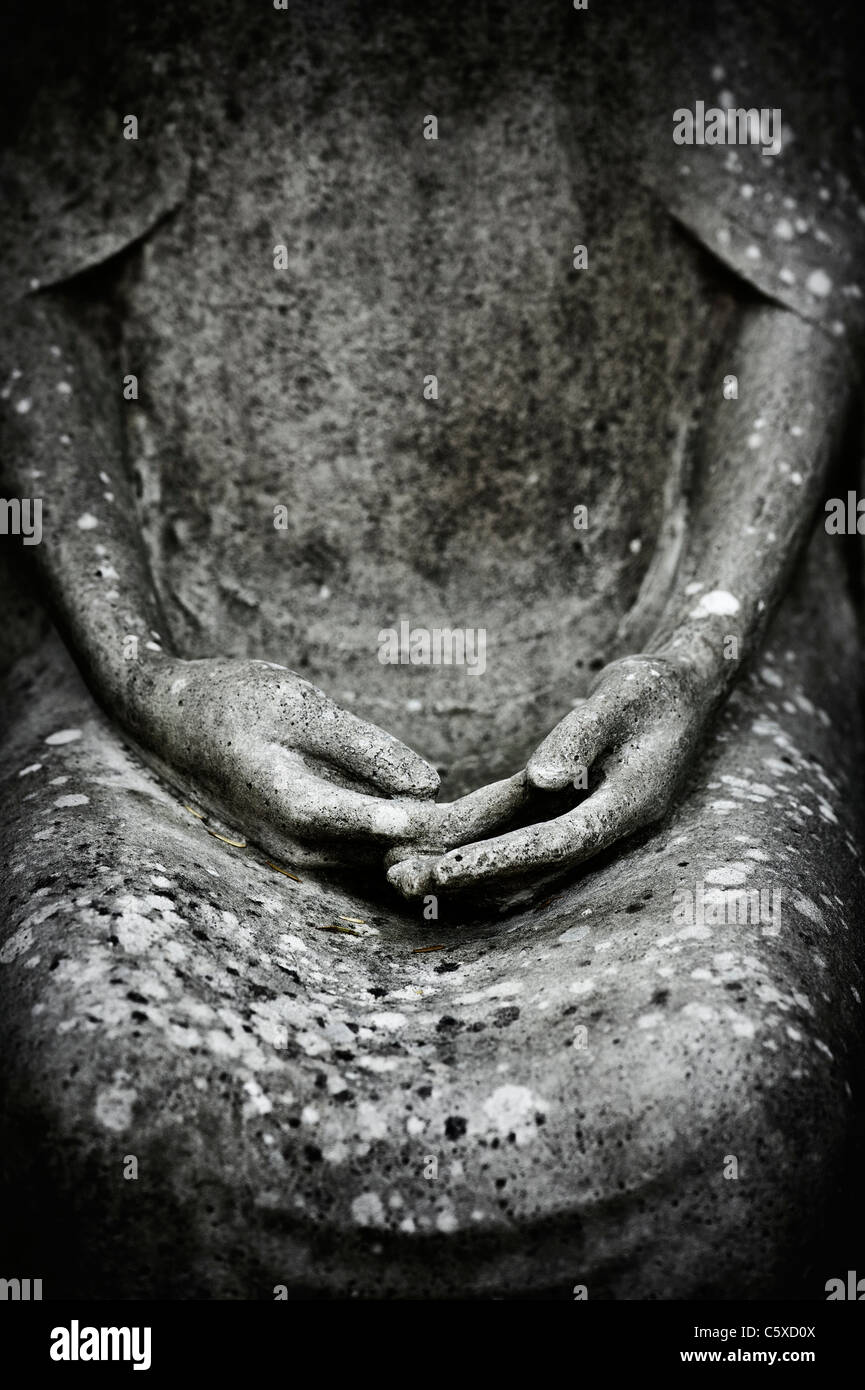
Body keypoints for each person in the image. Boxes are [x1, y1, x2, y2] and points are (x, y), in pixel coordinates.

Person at [1, 0, 863, 1298]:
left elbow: (805, 275)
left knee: (737, 1080)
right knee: (97, 1070)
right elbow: (23, 280)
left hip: (637, 680)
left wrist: (697, 648)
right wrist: (143, 671)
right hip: (189, 697)